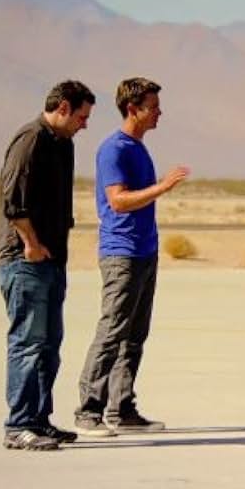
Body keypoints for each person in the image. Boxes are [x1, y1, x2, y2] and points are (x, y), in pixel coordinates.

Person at [75, 77, 189, 436]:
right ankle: (88, 410)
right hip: (121, 254)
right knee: (112, 331)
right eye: (153, 107)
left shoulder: (138, 148)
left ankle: (121, 408)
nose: (159, 113)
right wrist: (163, 188)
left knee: (135, 334)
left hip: (144, 252)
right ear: (132, 109)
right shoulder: (115, 150)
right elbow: (118, 200)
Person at [0, 80, 96, 451]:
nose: (84, 124)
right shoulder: (31, 140)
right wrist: (32, 244)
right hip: (25, 261)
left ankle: (39, 420)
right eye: (82, 116)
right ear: (64, 108)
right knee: (27, 343)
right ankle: (18, 425)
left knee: (49, 345)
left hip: (52, 260)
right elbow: (13, 201)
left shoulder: (63, 144)